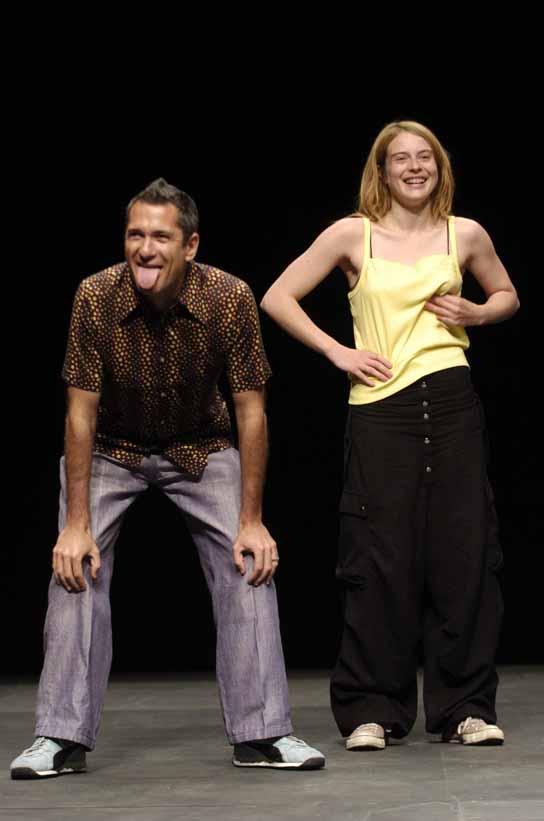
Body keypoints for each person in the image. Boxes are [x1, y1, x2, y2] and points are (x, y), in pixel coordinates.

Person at [10, 179, 324, 779]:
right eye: (135, 235)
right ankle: (60, 737)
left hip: (200, 445)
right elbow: (80, 414)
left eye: (160, 236)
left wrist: (252, 520)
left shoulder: (229, 297)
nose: (145, 249)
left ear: (190, 245)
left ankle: (262, 733)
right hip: (111, 448)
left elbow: (251, 411)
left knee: (249, 559)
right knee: (75, 564)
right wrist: (75, 525)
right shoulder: (95, 295)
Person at [261, 121, 519, 751]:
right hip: (382, 408)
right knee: (379, 560)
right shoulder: (354, 234)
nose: (413, 167)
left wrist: (479, 311)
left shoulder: (465, 233)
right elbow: (278, 296)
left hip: (452, 403)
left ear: (440, 167)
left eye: (424, 157)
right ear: (381, 171)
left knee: (463, 555)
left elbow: (508, 294)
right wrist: (338, 351)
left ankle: (466, 708)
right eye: (400, 158)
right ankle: (372, 709)